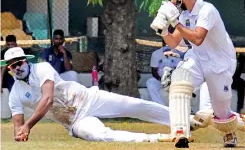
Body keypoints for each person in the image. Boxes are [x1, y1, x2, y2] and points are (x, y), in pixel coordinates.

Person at [2, 47, 245, 143]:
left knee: (134, 105)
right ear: (8, 69)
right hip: (74, 121)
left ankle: (186, 121)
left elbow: (46, 100)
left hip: (89, 99)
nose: (18, 66)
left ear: (27, 61)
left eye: (20, 61)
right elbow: (17, 123)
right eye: (12, 65)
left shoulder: (42, 68)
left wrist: (29, 126)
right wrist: (19, 132)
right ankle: (159, 138)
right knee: (98, 135)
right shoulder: (16, 93)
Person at [150, 0, 238, 147]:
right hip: (197, 57)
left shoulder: (207, 10)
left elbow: (197, 38)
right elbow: (175, 43)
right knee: (179, 82)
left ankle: (229, 132)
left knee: (221, 112)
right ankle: (181, 133)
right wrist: (163, 31)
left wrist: (175, 22)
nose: (175, 5)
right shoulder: (185, 15)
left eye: (177, 0)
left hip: (220, 62)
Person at [146, 39, 187, 105]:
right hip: (160, 79)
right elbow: (154, 71)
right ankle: (160, 106)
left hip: (174, 80)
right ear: (163, 43)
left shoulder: (178, 54)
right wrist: (163, 80)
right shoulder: (156, 53)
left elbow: (180, 69)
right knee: (150, 82)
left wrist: (170, 80)